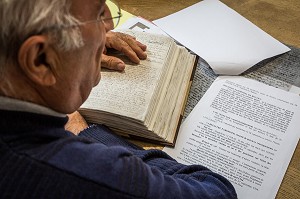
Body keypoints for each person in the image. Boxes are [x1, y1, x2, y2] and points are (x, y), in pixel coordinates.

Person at [0, 0, 237, 198]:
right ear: (40, 59)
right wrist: (89, 134)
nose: (110, 24)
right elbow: (216, 192)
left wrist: (73, 46)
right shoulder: (88, 173)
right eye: (97, 13)